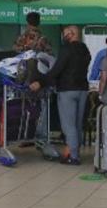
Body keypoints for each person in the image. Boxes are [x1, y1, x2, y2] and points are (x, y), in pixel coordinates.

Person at [30, 25, 91, 165]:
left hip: (67, 90)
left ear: (71, 34)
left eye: (65, 34)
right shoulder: (85, 49)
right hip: (82, 89)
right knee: (77, 124)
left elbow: (57, 70)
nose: (64, 36)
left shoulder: (66, 49)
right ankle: (73, 152)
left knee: (68, 126)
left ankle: (73, 157)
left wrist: (41, 82)